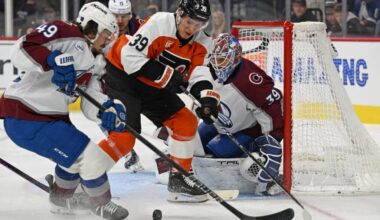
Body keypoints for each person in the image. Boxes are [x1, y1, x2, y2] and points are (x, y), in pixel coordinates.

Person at [0, 2, 130, 220]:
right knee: (90, 157)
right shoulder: (64, 31)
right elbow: (21, 49)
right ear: (93, 26)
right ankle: (100, 204)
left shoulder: (97, 62)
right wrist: (50, 60)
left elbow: (92, 99)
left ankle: (62, 199)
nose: (108, 41)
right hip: (26, 115)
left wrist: (107, 109)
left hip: (50, 118)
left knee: (71, 161)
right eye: (106, 34)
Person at [104, 0, 219, 203]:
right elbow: (130, 57)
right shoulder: (159, 23)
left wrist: (206, 99)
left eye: (198, 24)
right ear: (179, 14)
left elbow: (199, 72)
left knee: (186, 122)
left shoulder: (203, 41)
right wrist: (167, 75)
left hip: (153, 85)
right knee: (124, 138)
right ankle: (84, 179)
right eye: (189, 21)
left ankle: (178, 180)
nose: (192, 28)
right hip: (123, 77)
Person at [198, 33, 284, 195]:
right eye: (215, 58)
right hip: (219, 122)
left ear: (235, 57)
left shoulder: (249, 81)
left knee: (217, 150)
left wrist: (270, 140)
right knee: (194, 139)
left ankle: (256, 155)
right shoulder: (206, 69)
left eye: (222, 58)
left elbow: (272, 104)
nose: (217, 63)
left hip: (245, 129)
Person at [107, 0, 143, 172]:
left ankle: (169, 147)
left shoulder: (141, 28)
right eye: (116, 16)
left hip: (138, 80)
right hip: (111, 81)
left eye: (124, 16)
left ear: (131, 15)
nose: (120, 21)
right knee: (107, 115)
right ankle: (127, 152)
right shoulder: (101, 29)